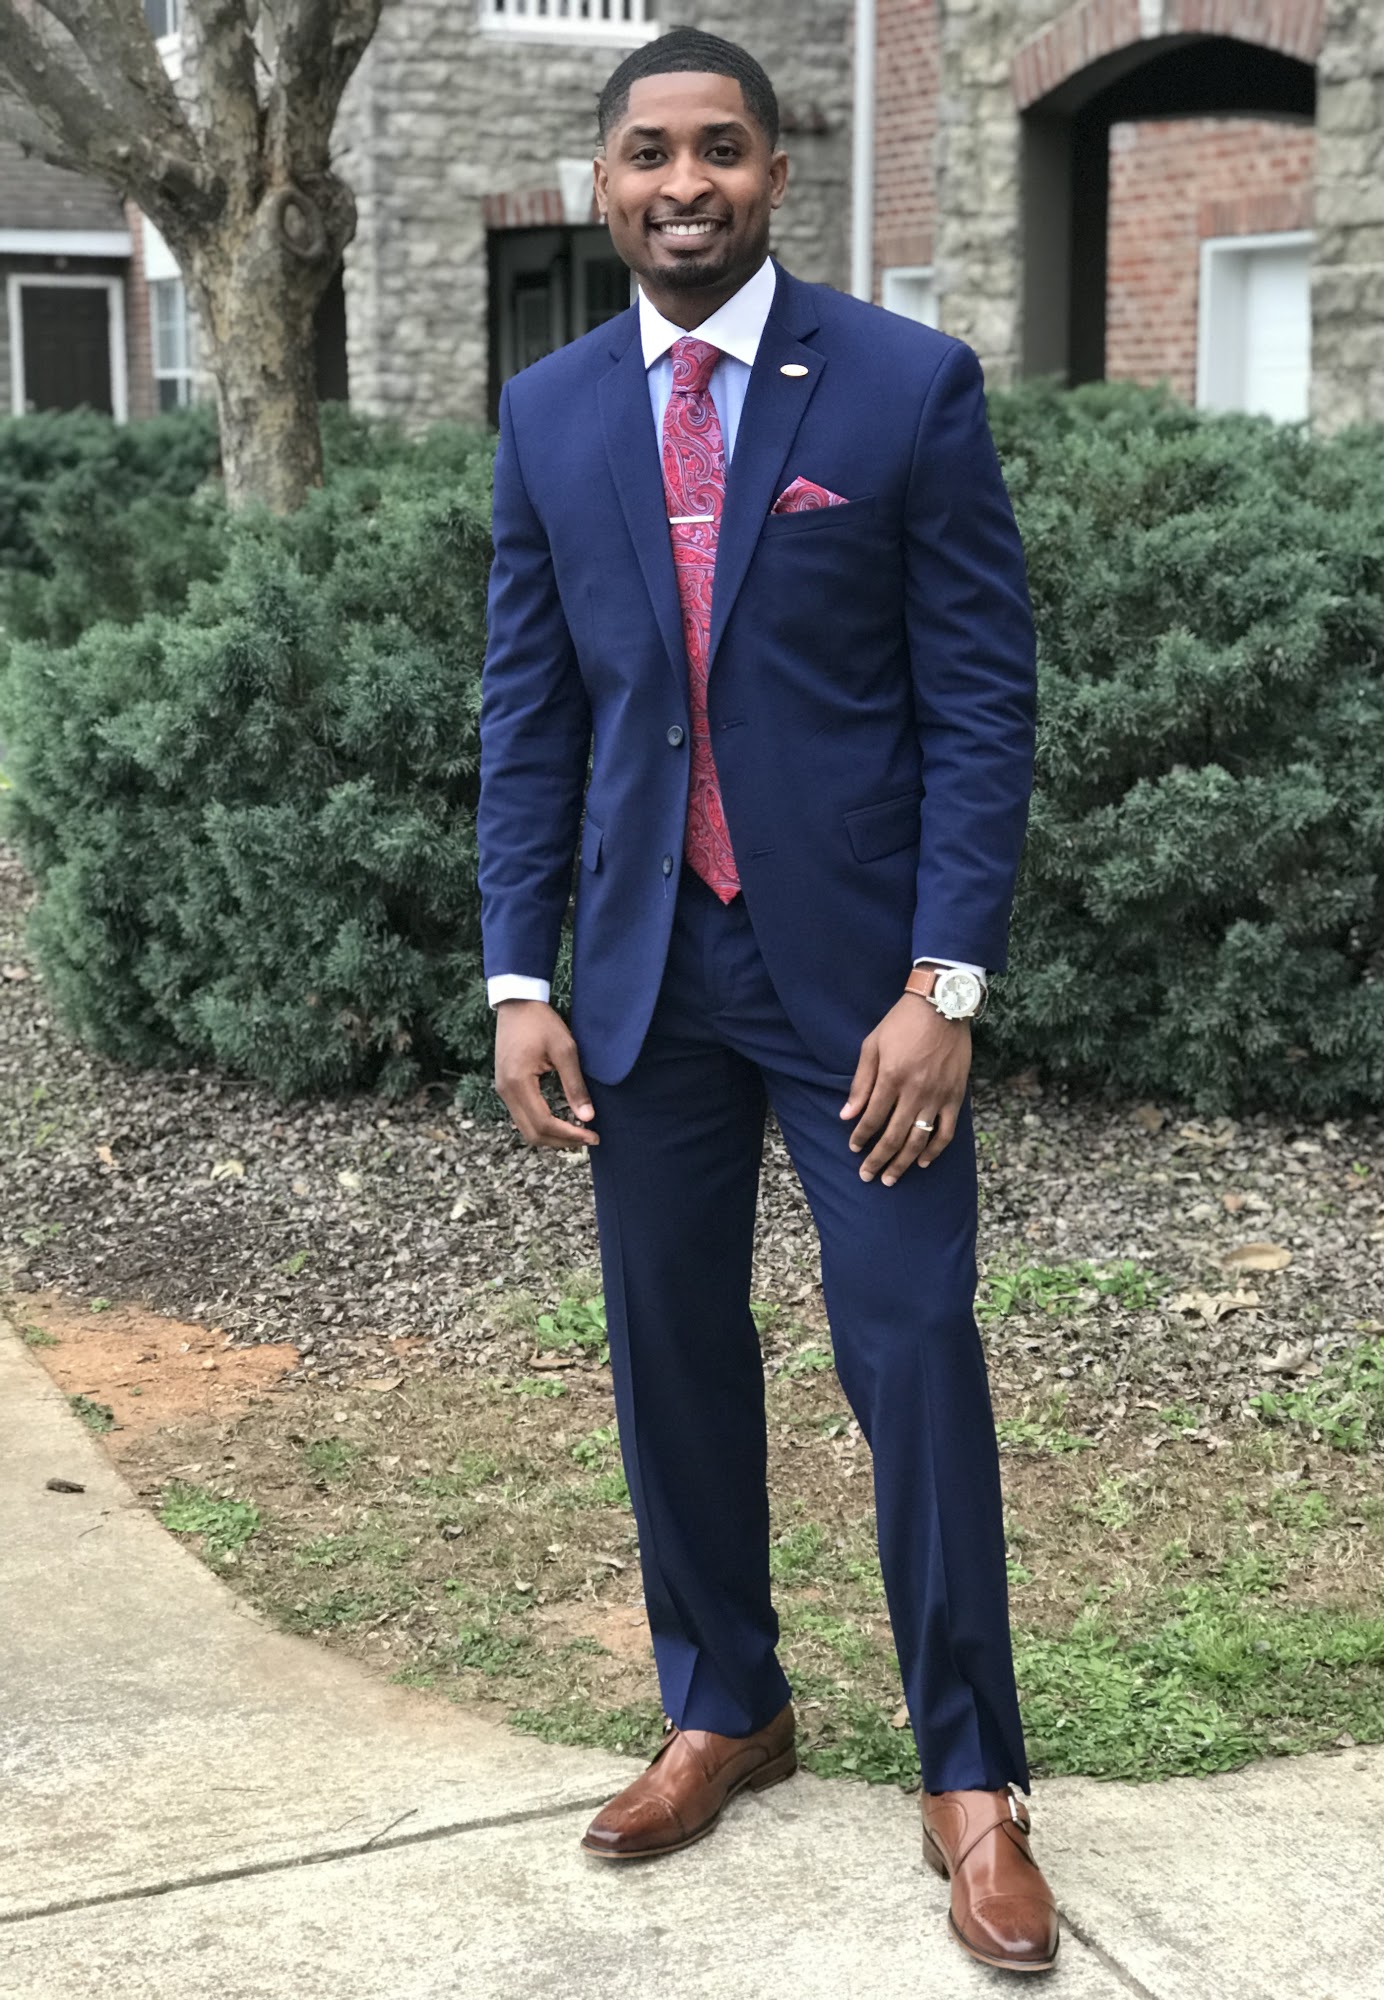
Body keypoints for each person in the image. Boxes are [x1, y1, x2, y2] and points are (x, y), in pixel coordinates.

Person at [478, 27, 1056, 1978]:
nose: (684, 184)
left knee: (913, 1346)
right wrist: (520, 974)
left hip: (862, 994)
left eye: (719, 149)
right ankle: (725, 1703)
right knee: (670, 1350)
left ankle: (971, 1775)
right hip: (648, 980)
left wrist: (943, 984)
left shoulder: (902, 385)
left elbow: (981, 706)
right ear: (604, 181)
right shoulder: (551, 412)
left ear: (776, 173)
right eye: (649, 152)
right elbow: (531, 715)